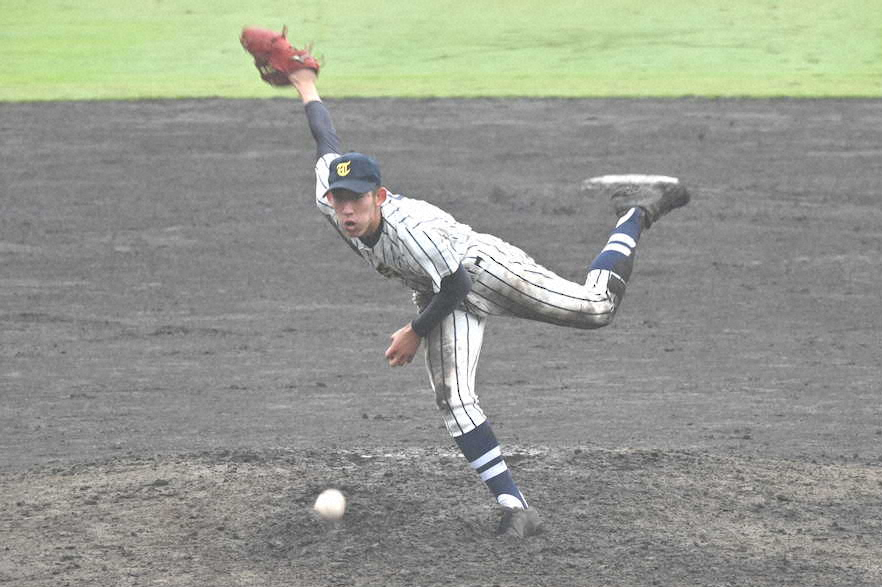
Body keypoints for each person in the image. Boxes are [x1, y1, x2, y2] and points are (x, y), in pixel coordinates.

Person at [246, 32, 689, 538]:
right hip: (437, 289)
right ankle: (515, 506)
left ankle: (637, 210)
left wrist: (414, 331)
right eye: (340, 198)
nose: (347, 210)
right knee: (454, 397)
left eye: (358, 200)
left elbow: (456, 284)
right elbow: (327, 141)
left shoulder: (411, 231)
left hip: (482, 270)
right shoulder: (332, 199)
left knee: (597, 309)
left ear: (380, 197)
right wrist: (305, 82)